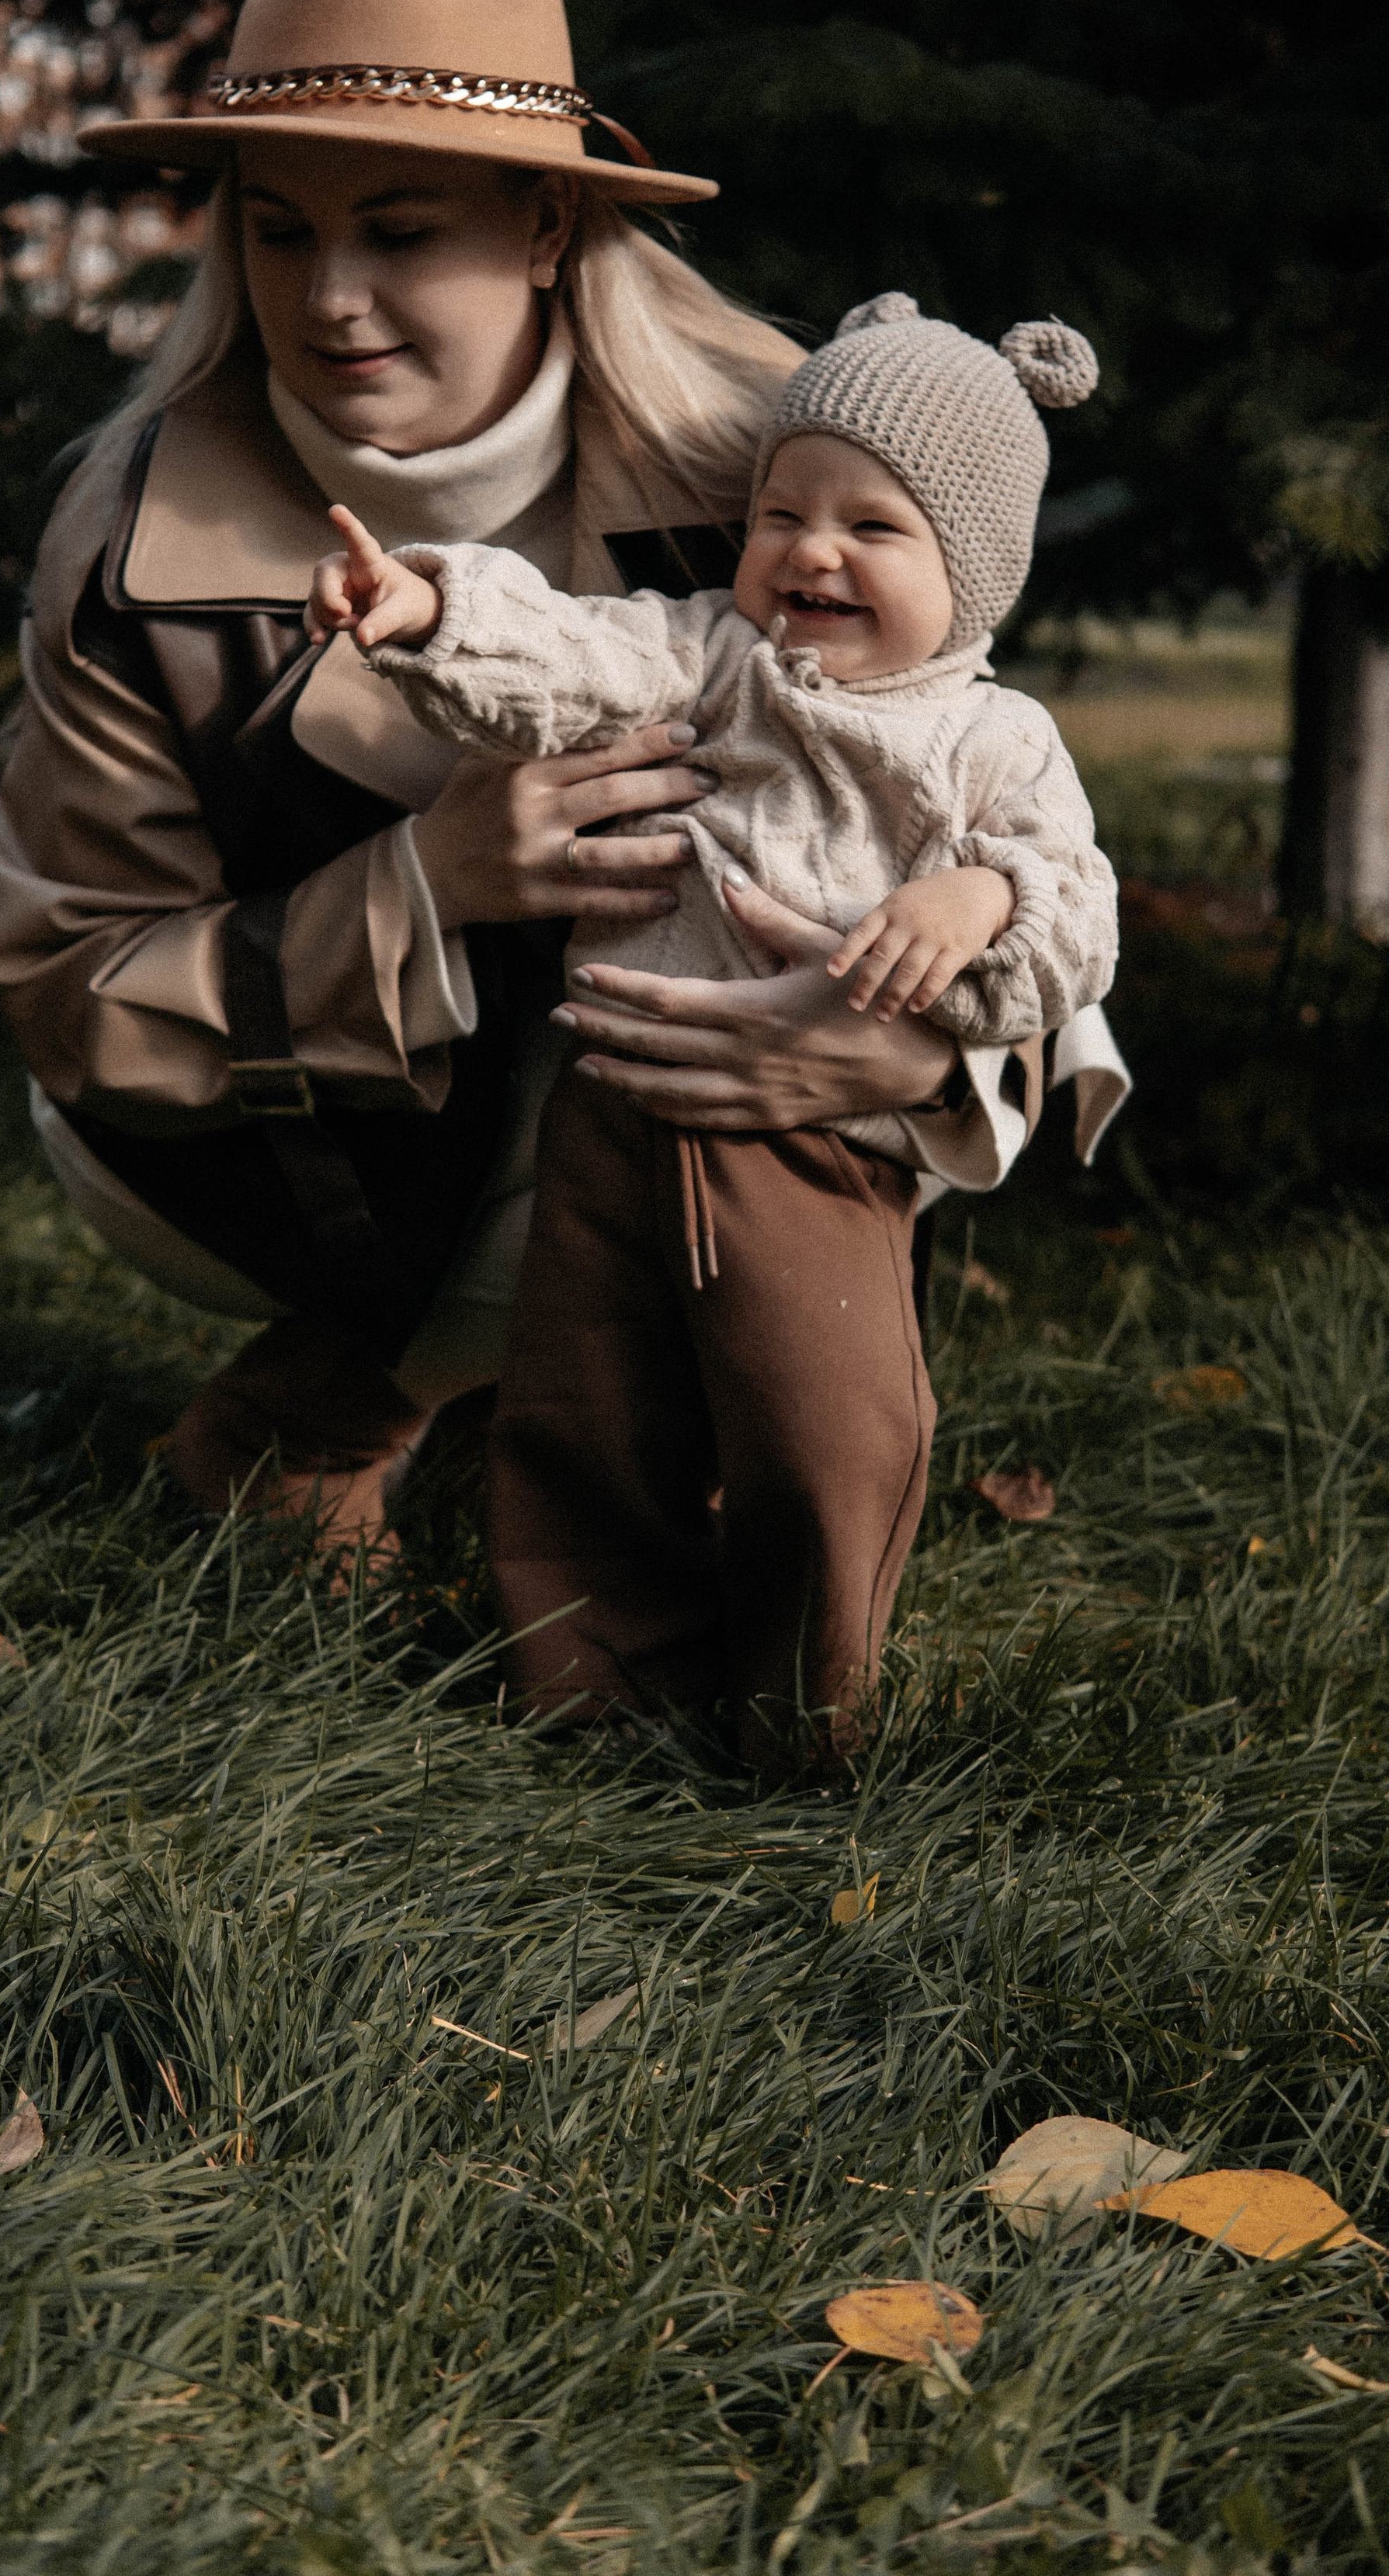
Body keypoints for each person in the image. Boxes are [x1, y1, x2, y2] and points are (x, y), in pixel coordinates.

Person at [0, 0, 1110, 1548]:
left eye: (398, 227)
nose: (331, 301)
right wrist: (424, 889)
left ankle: (556, 1409)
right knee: (567, 1032)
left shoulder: (778, 469)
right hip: (271, 1132)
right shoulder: (129, 539)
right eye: (279, 229)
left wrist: (920, 1054)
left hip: (719, 1065)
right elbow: (70, 994)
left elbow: (1000, 793)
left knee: (751, 1011)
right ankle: (355, 1390)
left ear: (542, 230)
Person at [304, 294, 1118, 1756]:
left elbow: (1080, 910)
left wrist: (982, 905)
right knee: (585, 1420)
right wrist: (428, 613)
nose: (812, 551)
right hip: (614, 1115)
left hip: (813, 1150)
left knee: (827, 1433)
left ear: (976, 573)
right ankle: (600, 1697)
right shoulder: (708, 655)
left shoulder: (993, 743)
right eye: (783, 512)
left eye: (876, 528)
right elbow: (567, 655)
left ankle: (807, 1714)